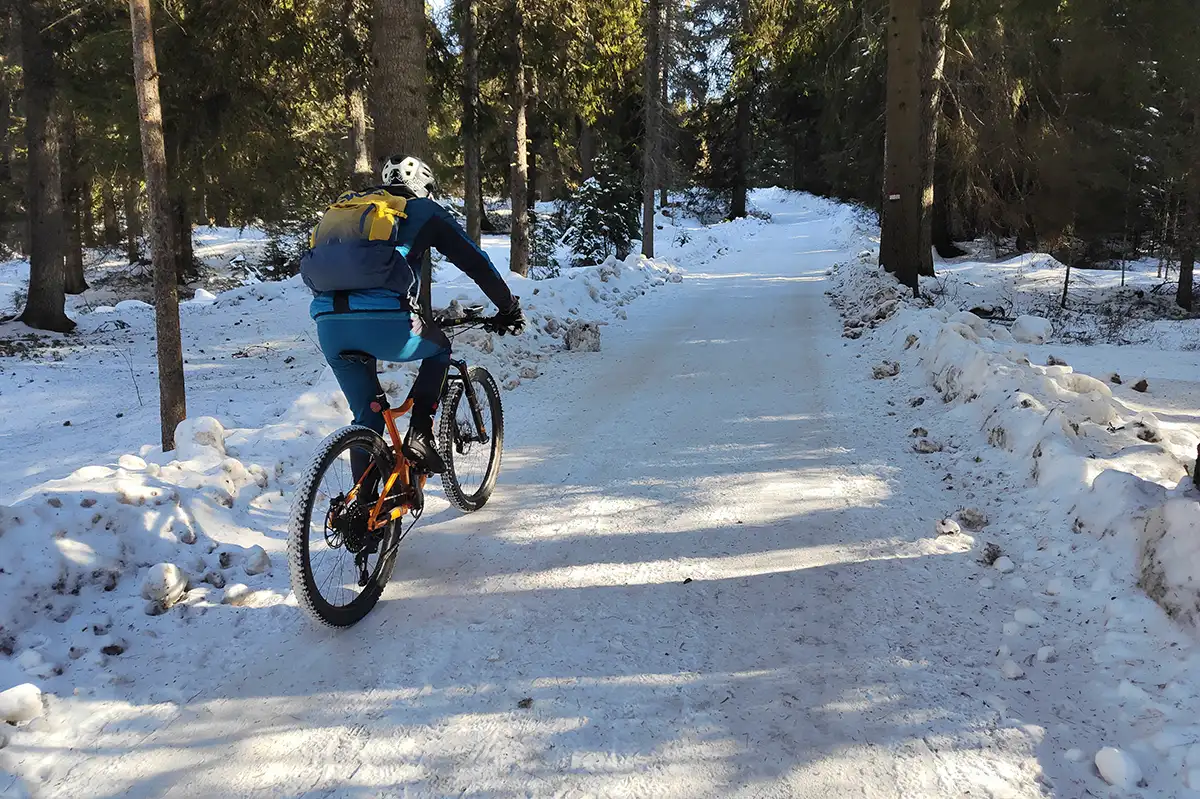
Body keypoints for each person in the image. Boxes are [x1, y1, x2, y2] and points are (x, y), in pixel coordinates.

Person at [300, 155, 526, 475]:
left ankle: (362, 515)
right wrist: (508, 308)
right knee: (440, 347)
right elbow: (475, 263)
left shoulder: (353, 209)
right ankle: (421, 432)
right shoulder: (423, 210)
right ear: (427, 188)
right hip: (388, 325)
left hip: (330, 326)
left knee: (369, 417)